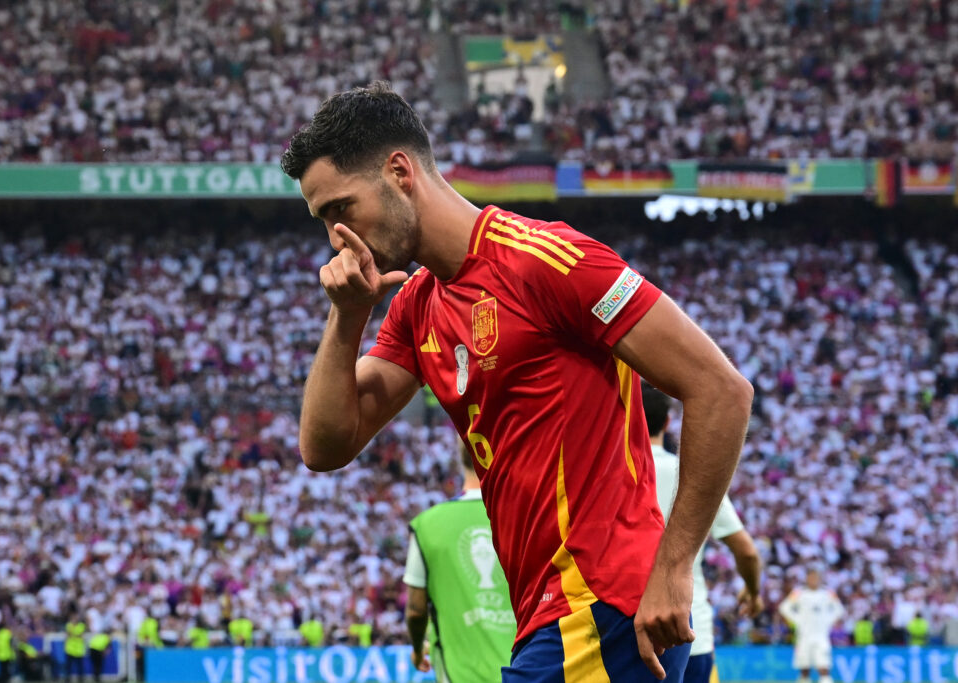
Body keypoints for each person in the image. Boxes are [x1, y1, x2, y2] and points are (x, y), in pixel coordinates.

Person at [282, 81, 754, 681]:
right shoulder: (417, 305)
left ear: (400, 172)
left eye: (340, 210)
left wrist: (674, 566)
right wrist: (347, 315)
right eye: (322, 220)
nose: (335, 239)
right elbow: (324, 446)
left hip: (602, 604)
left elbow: (721, 388)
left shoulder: (547, 259)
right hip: (547, 617)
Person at [642, 384, 764, 683]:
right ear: (668, 423)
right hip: (688, 631)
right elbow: (746, 551)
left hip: (623, 627)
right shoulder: (690, 474)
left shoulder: (608, 476)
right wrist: (752, 591)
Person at [403, 441, 516, 682]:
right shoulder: (522, 516)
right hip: (524, 670)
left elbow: (415, 610)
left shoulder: (427, 525)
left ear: (459, 455)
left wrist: (416, 647)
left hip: (460, 674)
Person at [778, 569, 845, 683]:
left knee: (824, 668)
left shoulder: (828, 593)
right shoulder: (798, 593)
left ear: (819, 579)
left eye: (815, 578)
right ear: (806, 579)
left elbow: (839, 609)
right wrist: (797, 619)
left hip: (821, 636)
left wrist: (828, 620)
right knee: (804, 670)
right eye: (811, 578)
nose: (813, 580)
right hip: (804, 636)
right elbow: (784, 607)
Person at [64, 615, 86, 683]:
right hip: (70, 649)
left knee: (80, 667)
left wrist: (73, 634)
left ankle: (81, 679)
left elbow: (80, 635)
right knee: (68, 667)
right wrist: (75, 634)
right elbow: (68, 634)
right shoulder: (68, 625)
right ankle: (67, 679)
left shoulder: (81, 625)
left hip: (78, 650)